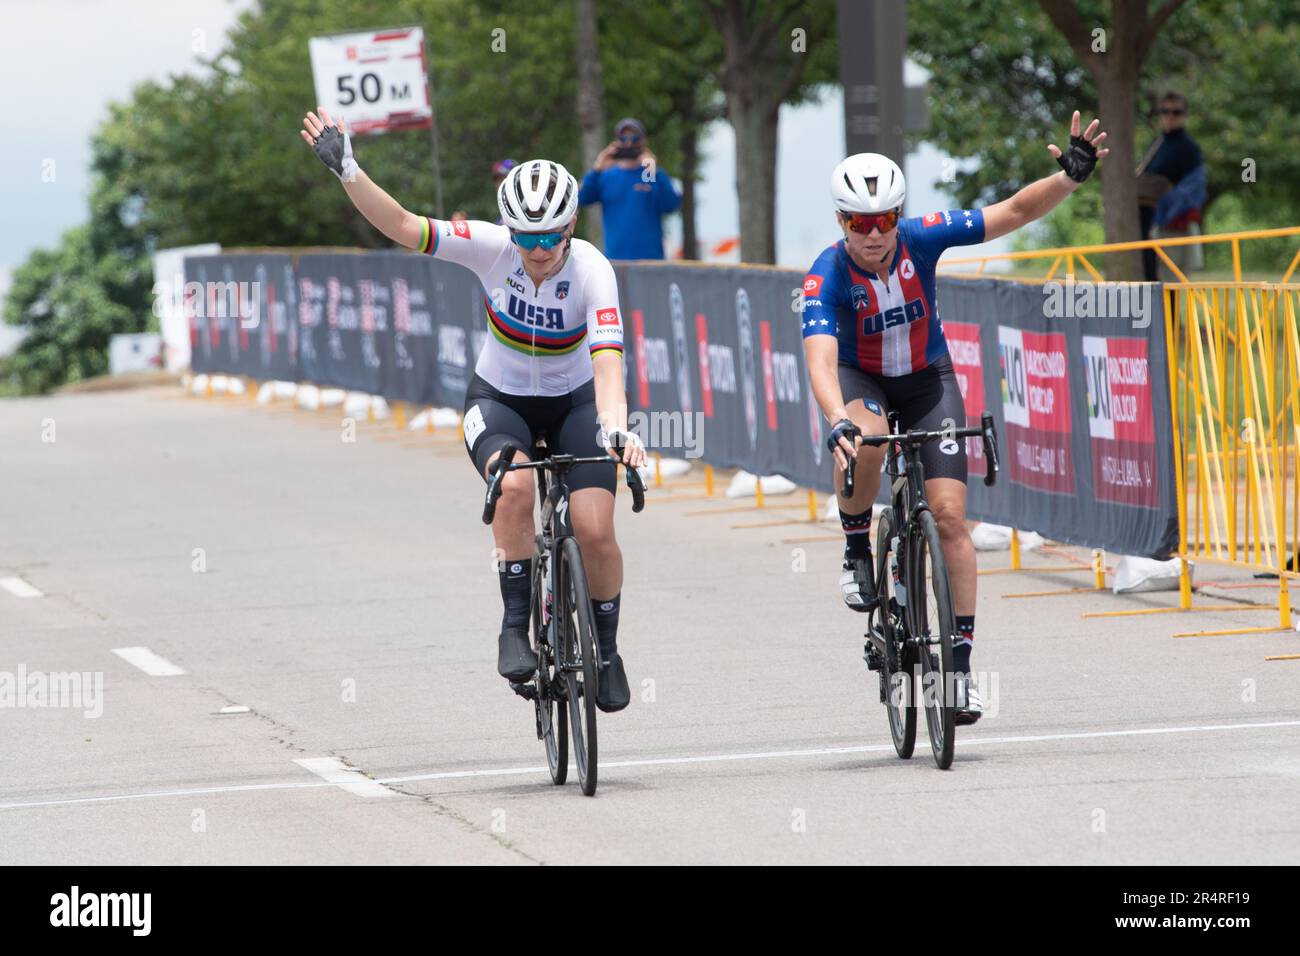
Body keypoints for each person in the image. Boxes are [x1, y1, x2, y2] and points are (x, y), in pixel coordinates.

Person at [300, 107, 647, 712]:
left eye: (551, 237)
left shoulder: (594, 270)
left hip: (577, 402)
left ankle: (608, 649)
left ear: (570, 228)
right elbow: (406, 226)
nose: (538, 250)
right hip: (500, 398)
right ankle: (515, 625)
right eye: (526, 237)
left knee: (594, 527)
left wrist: (616, 426)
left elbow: (609, 362)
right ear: (509, 230)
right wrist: (349, 170)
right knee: (512, 490)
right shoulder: (490, 248)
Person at [802, 111, 1109, 724]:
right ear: (842, 222)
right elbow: (821, 360)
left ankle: (960, 673)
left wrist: (1071, 178)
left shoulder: (923, 237)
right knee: (866, 438)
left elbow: (1012, 213)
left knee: (949, 517)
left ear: (898, 217)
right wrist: (836, 416)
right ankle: (857, 544)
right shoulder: (826, 274)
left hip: (928, 380)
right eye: (859, 224)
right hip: (861, 382)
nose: (873, 235)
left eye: (884, 220)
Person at [579, 118, 681, 260]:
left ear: (643, 142)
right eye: (623, 138)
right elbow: (581, 198)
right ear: (616, 142)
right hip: (615, 260)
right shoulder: (607, 176)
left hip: (650, 260)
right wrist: (597, 168)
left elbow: (670, 205)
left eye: (634, 138)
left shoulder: (649, 175)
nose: (628, 143)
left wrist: (653, 170)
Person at [1137, 92, 1204, 281]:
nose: (1170, 116)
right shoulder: (1157, 143)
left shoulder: (1189, 148)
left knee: (1170, 284)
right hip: (1147, 222)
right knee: (1151, 281)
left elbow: (1194, 189)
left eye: (1176, 112)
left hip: (1171, 225)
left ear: (1184, 114)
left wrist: (1164, 209)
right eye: (1165, 111)